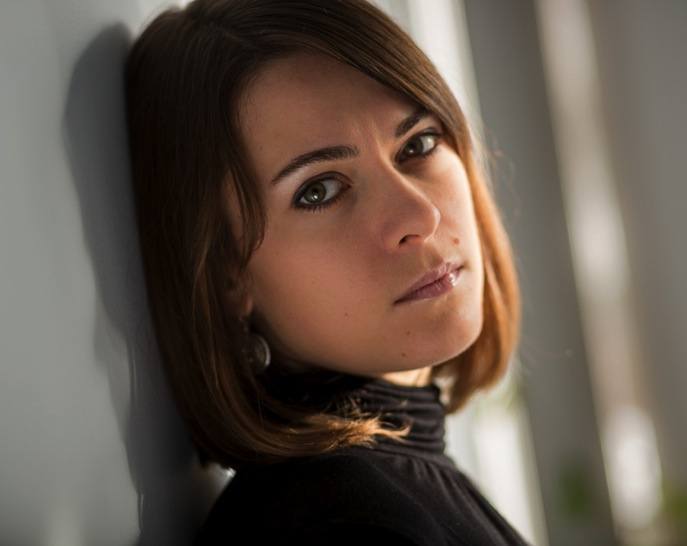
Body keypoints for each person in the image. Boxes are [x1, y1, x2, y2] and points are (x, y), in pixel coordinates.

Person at [124, 0, 526, 544]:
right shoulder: (343, 524)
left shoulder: (377, 487)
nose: (419, 216)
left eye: (418, 144)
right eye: (320, 190)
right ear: (226, 276)